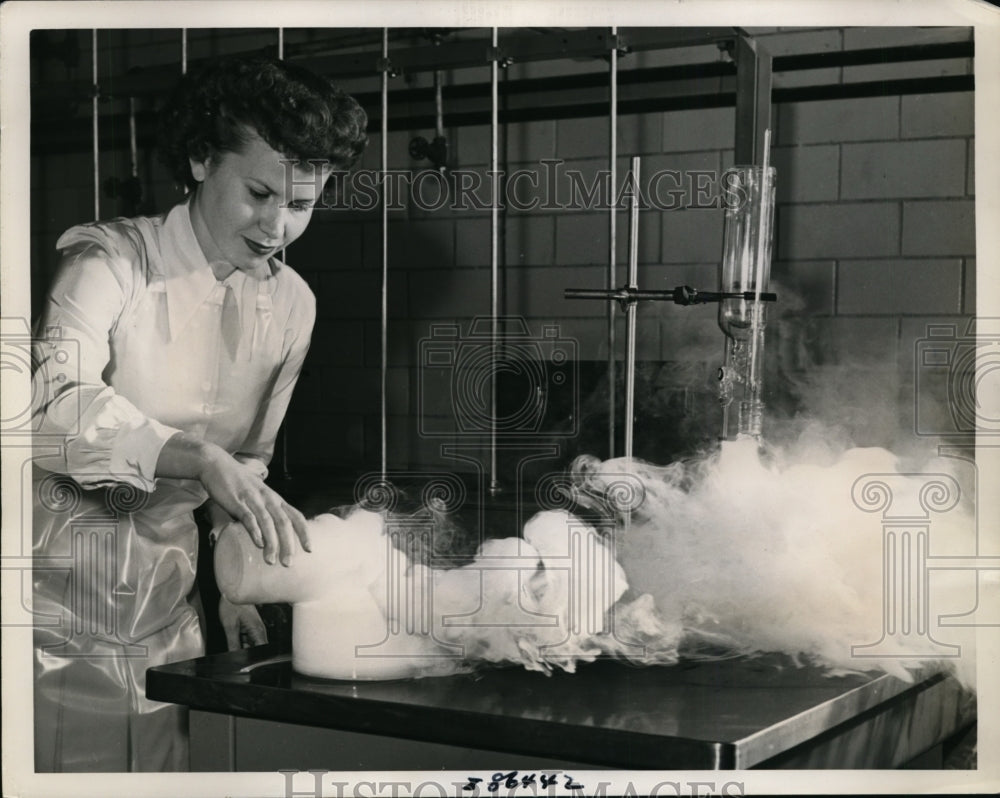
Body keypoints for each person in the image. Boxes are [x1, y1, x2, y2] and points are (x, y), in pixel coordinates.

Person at [30, 55, 368, 772]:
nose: (277, 225)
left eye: (302, 204)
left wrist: (231, 575)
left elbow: (246, 458)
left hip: (168, 612)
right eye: (258, 193)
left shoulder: (293, 306)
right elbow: (53, 407)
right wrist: (195, 456)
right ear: (197, 160)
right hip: (46, 612)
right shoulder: (110, 262)